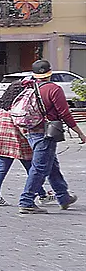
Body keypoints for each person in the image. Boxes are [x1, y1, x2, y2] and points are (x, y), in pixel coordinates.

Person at [16, 60, 86, 214]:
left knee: (51, 164)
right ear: (49, 73)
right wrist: (80, 132)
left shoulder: (28, 87)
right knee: (40, 167)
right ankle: (26, 201)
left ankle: (63, 196)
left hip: (30, 130)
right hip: (46, 132)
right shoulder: (54, 89)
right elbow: (65, 114)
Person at [0, 81, 50, 207]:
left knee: (2, 169)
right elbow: (21, 124)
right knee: (32, 169)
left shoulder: (4, 106)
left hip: (3, 141)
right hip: (18, 141)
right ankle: (42, 195)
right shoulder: (19, 106)